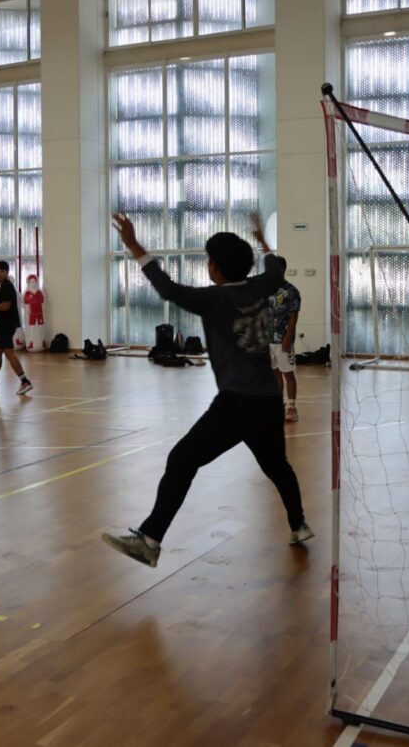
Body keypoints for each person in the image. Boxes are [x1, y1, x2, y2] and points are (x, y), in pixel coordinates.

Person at [101, 213, 312, 568]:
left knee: (181, 460)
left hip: (235, 404)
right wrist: (264, 243)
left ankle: (150, 540)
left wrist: (134, 245)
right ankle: (299, 524)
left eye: (209, 260)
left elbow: (166, 288)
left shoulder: (212, 300)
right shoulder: (263, 286)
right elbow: (276, 268)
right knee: (277, 465)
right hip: (268, 401)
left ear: (215, 267)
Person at [252, 224, 302, 422]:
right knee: (274, 374)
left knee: (287, 373)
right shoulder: (266, 289)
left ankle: (291, 407)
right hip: (267, 339)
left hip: (283, 340)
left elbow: (293, 317)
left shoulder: (292, 291)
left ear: (282, 270)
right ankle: (278, 404)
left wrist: (288, 338)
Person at [0, 261, 33, 395]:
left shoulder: (7, 286)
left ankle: (25, 381)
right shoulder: (3, 286)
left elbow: (6, 306)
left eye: (2, 271)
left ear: (7, 273)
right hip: (3, 324)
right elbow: (3, 307)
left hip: (7, 325)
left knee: (8, 353)